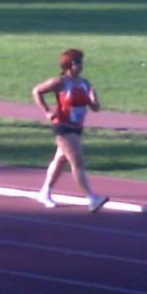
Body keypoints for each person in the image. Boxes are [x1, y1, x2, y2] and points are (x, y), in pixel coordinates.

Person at [32, 48, 109, 212]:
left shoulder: (84, 83)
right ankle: (91, 198)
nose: (81, 65)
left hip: (77, 127)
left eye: (81, 62)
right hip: (63, 126)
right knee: (77, 161)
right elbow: (37, 91)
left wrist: (94, 100)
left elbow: (95, 108)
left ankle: (44, 192)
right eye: (78, 62)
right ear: (69, 65)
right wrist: (47, 111)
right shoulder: (60, 82)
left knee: (60, 160)